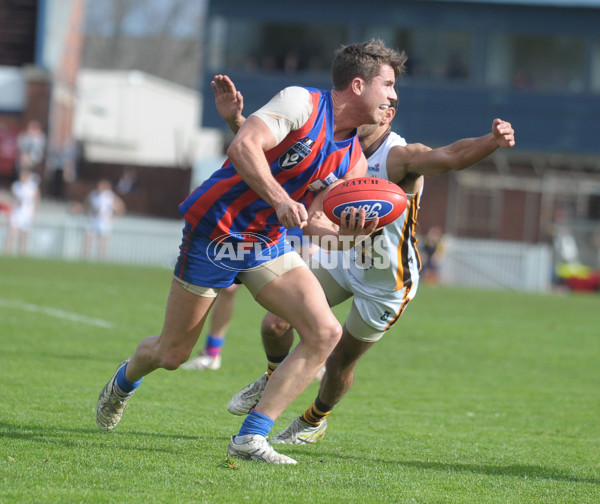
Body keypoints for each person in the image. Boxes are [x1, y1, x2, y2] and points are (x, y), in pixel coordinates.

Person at [95, 39, 406, 465]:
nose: (393, 95)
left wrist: (352, 233)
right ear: (357, 85)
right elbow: (243, 147)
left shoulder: (352, 161)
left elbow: (318, 225)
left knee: (325, 332)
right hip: (216, 231)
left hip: (266, 241)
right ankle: (124, 381)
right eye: (387, 84)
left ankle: (251, 437)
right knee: (172, 354)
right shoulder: (301, 102)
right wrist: (280, 198)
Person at [222, 80, 516, 445]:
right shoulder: (338, 148)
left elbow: (450, 156)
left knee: (340, 362)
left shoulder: (399, 156)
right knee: (276, 323)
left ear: (388, 115)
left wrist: (492, 141)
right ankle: (272, 376)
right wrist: (237, 121)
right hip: (344, 258)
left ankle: (314, 421)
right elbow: (275, 152)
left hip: (387, 280)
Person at [82, 179, 126, 260]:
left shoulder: (109, 196)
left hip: (104, 221)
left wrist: (113, 218)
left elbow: (120, 207)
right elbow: (86, 203)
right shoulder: (93, 194)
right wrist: (87, 213)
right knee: (88, 237)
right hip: (93, 219)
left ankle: (101, 258)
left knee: (102, 240)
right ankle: (85, 257)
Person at [4, 169, 40, 256]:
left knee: (24, 233)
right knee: (12, 232)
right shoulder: (16, 186)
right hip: (17, 211)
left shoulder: (32, 188)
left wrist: (34, 212)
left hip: (27, 212)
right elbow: (12, 198)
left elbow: (36, 200)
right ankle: (8, 251)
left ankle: (22, 252)